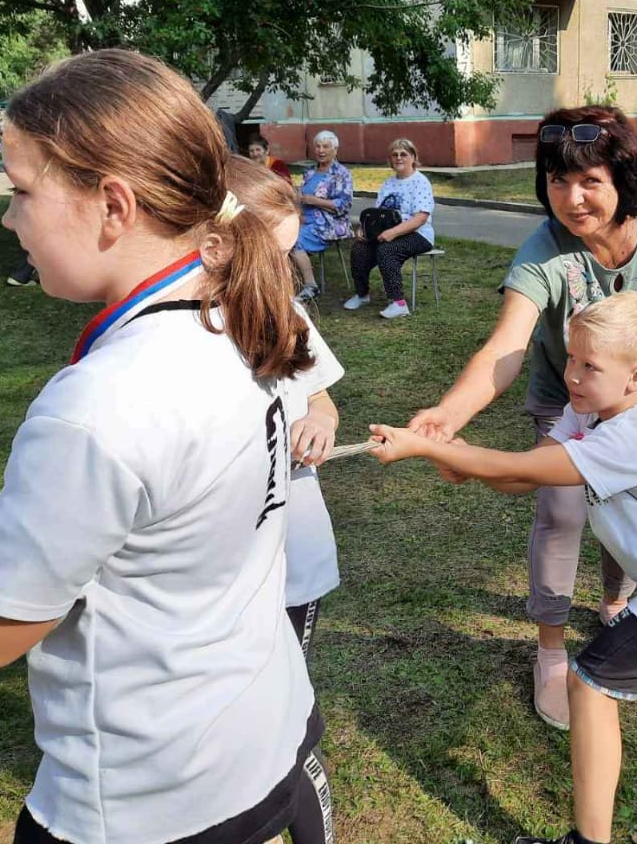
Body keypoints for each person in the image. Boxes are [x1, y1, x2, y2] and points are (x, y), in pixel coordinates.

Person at [0, 49, 329, 844]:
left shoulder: (103, 403)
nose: (7, 218)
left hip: (148, 797)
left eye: (19, 191)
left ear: (114, 206)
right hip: (254, 734)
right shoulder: (236, 316)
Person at [372, 291, 637, 844]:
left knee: (588, 685)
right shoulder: (592, 412)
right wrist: (462, 462)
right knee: (630, 643)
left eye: (591, 366)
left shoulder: (631, 437)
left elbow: (515, 466)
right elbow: (525, 476)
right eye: (571, 359)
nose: (574, 376)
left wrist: (435, 450)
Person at [408, 105, 637, 730]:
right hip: (571, 396)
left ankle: (616, 601)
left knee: (630, 506)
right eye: (558, 180)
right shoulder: (544, 253)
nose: (572, 198)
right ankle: (550, 650)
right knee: (560, 511)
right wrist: (449, 413)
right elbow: (506, 347)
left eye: (590, 181)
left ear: (624, 180)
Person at [226, 154, 343, 844]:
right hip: (218, 569)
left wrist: (319, 423)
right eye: (270, 256)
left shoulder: (288, 315)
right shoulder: (184, 333)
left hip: (291, 553)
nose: (283, 275)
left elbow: (321, 394)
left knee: (280, 711)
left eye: (288, 257)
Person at [343, 138, 435, 319]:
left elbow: (420, 218)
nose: (399, 158)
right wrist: (365, 230)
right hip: (387, 233)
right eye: (395, 155)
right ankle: (362, 295)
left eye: (403, 154)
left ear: (413, 157)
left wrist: (393, 232)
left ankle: (398, 303)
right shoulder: (388, 183)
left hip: (417, 234)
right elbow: (378, 215)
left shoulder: (420, 182)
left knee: (387, 250)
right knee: (359, 249)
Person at [291, 130, 353, 301]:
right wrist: (298, 210)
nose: (321, 150)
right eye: (318, 146)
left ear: (335, 150)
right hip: (305, 221)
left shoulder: (341, 173)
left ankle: (311, 287)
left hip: (329, 224)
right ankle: (286, 286)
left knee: (294, 241)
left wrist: (315, 201)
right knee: (279, 236)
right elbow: (301, 197)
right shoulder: (310, 172)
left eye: (326, 146)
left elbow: (344, 205)